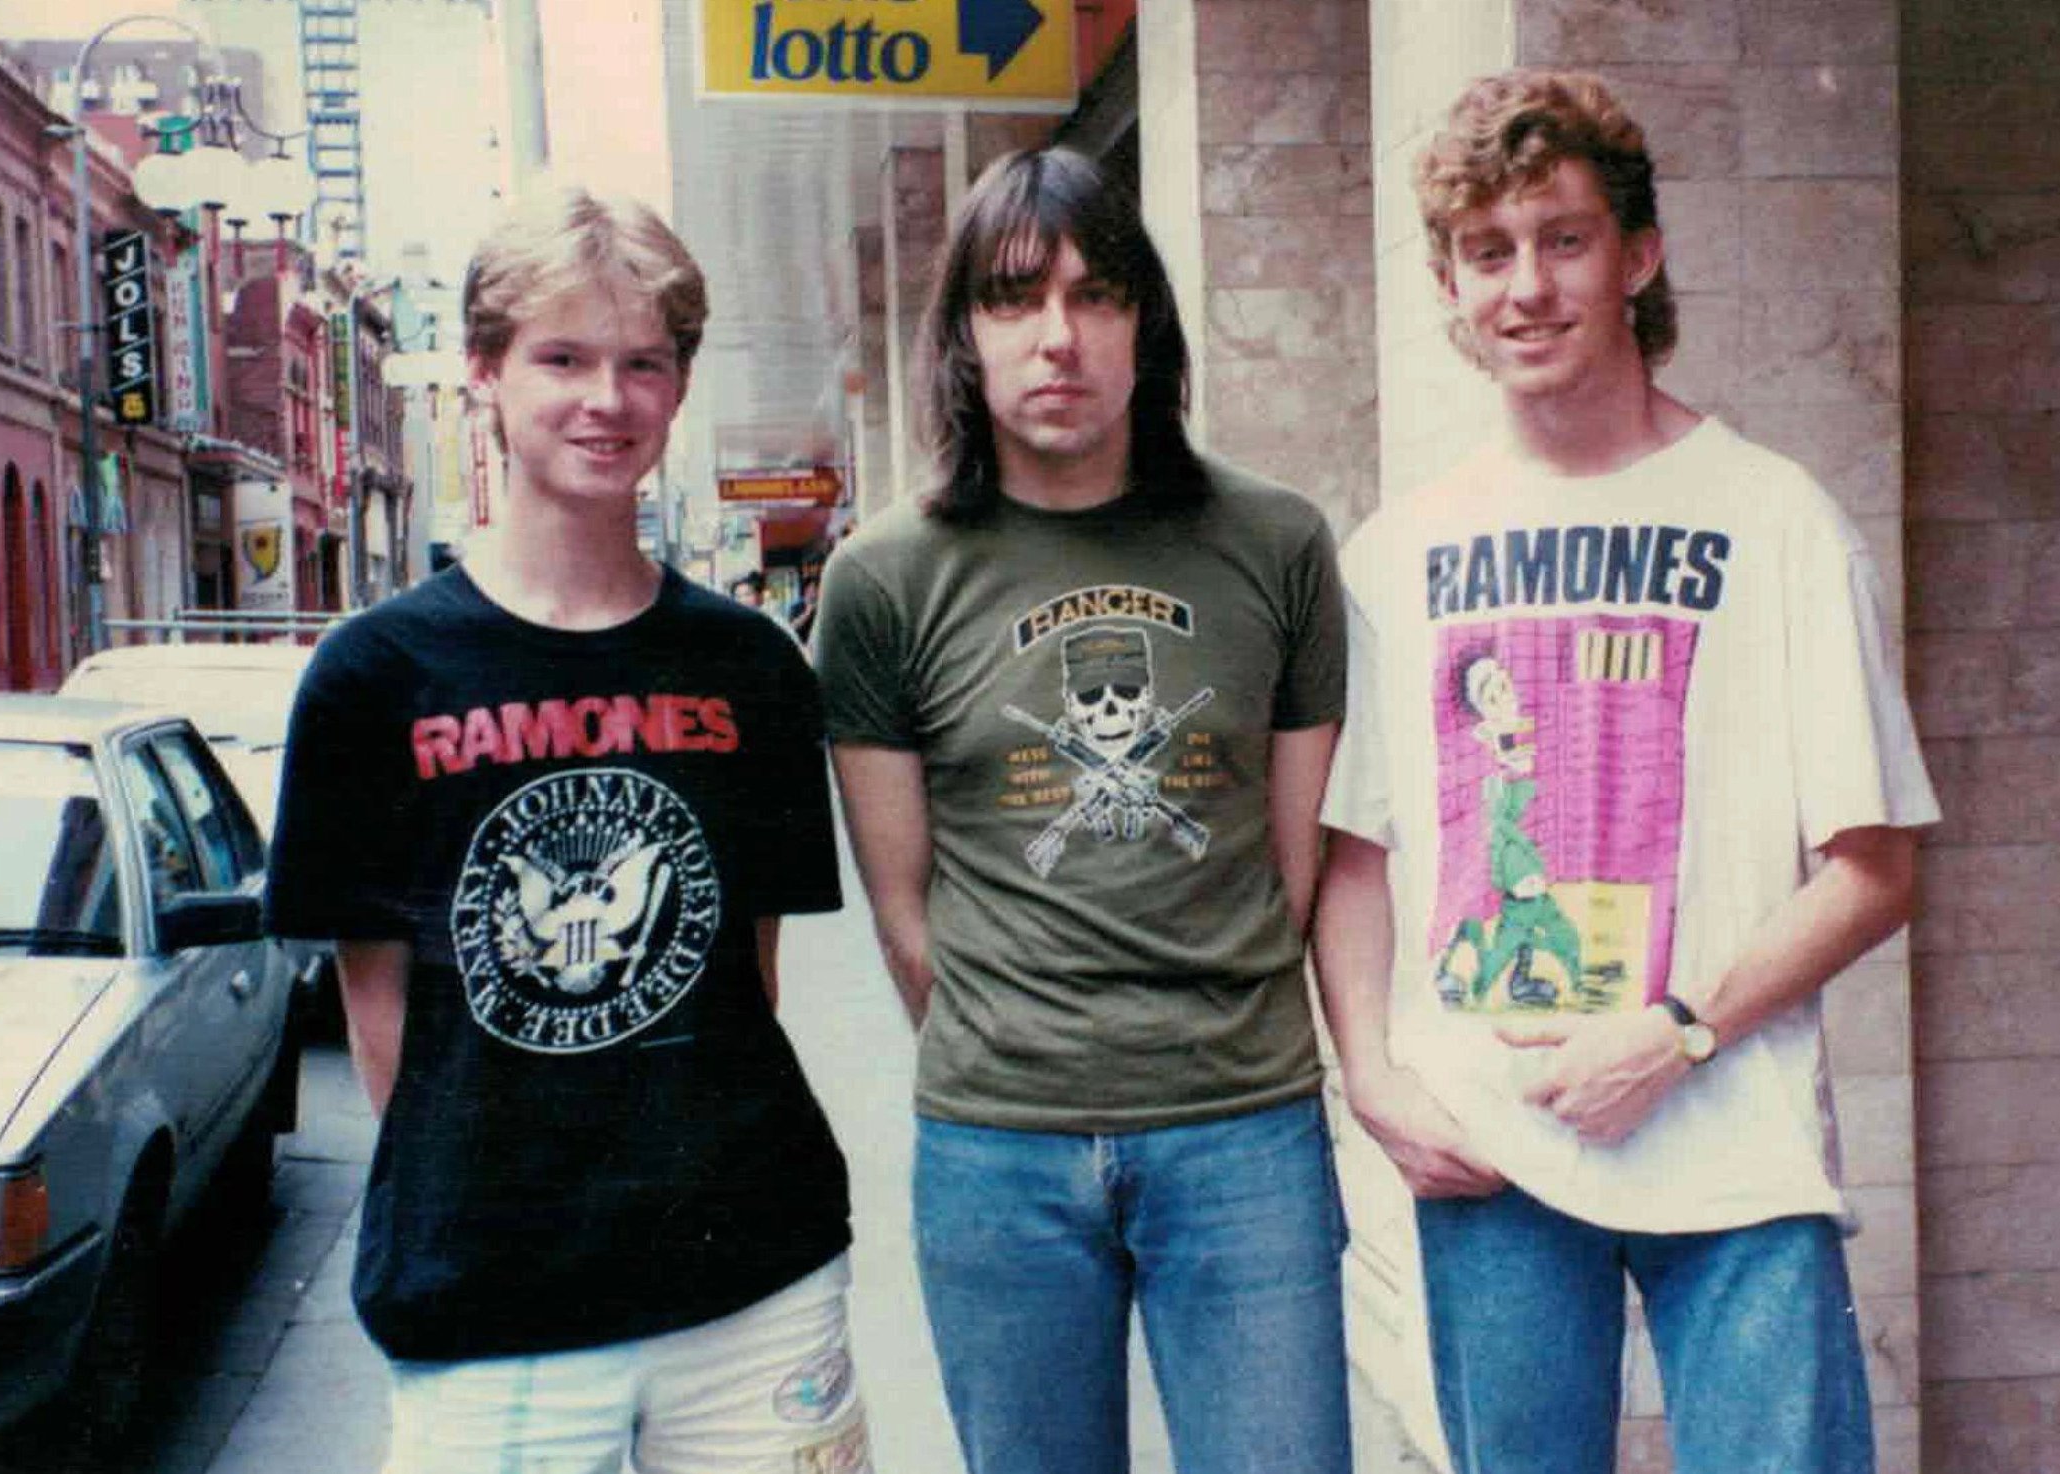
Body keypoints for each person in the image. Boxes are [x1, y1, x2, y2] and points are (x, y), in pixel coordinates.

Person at [1313, 70, 1940, 1474]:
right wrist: (1374, 1075)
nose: (1527, 287)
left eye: (1564, 239)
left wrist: (1678, 1031)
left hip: (1733, 1147)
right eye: (1487, 252)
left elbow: (1875, 867)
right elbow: (1354, 853)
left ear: (1639, 255)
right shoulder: (1397, 555)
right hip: (1493, 1149)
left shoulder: (1775, 519)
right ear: (1449, 285)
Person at [266, 187, 870, 1474]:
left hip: (753, 1285)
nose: (607, 398)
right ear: (483, 372)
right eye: (563, 358)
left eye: (643, 362)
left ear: (680, 385)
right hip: (492, 1307)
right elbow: (383, 1029)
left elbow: (745, 978)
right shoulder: (374, 677)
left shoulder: (751, 667)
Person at [812, 147, 1352, 1474]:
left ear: (1144, 323)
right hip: (997, 1152)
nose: (1057, 336)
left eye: (1095, 294)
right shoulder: (882, 578)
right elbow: (902, 910)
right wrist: (1028, 1049)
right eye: (1013, 297)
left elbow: (1295, 864)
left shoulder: (1279, 542)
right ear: (963, 332)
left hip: (1244, 1130)